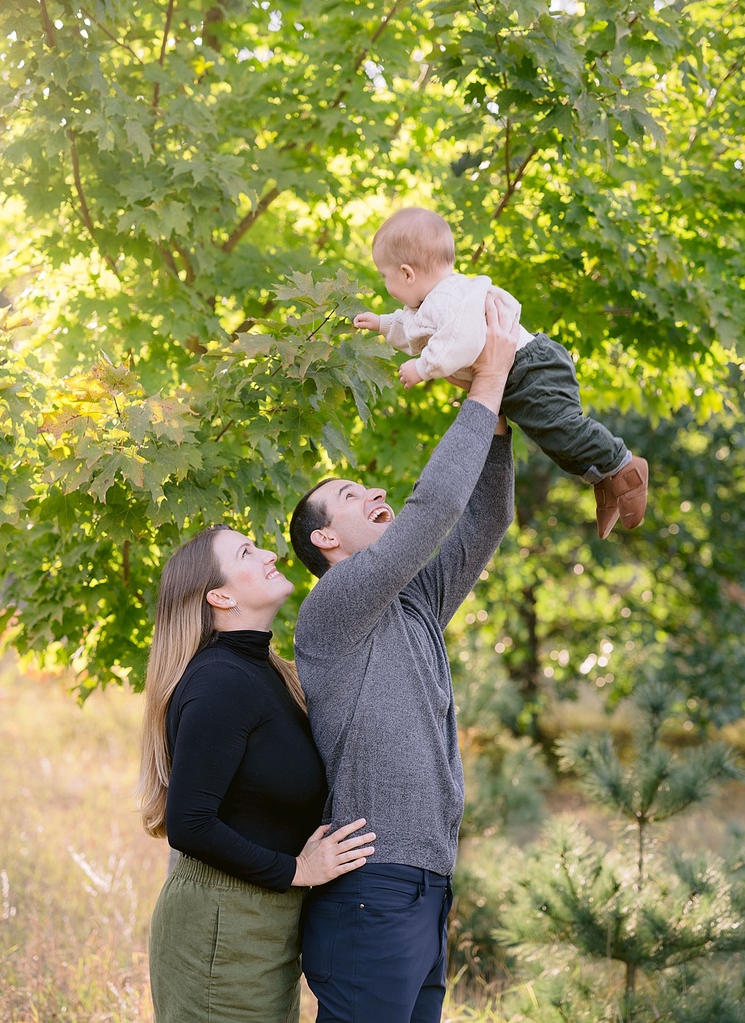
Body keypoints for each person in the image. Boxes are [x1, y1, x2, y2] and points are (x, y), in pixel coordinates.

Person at [289, 293, 517, 1022]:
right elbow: (433, 509)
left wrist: (503, 411)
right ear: (327, 542)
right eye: (353, 496)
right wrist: (484, 384)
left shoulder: (415, 602)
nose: (375, 491)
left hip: (427, 886)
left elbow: (484, 516)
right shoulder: (333, 609)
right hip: (370, 895)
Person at [138, 524, 375, 1023]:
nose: (269, 552)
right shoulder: (219, 679)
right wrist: (299, 871)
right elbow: (189, 823)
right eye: (247, 551)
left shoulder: (269, 672)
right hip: (222, 926)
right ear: (220, 596)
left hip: (262, 923)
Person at [353, 206, 648, 540]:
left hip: (531, 368)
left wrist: (423, 368)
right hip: (515, 377)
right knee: (550, 439)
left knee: (562, 427)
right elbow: (412, 327)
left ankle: (625, 466)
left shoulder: (449, 299)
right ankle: (603, 479)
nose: (385, 285)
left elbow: (461, 340)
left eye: (384, 276)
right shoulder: (429, 303)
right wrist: (381, 323)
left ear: (407, 274)